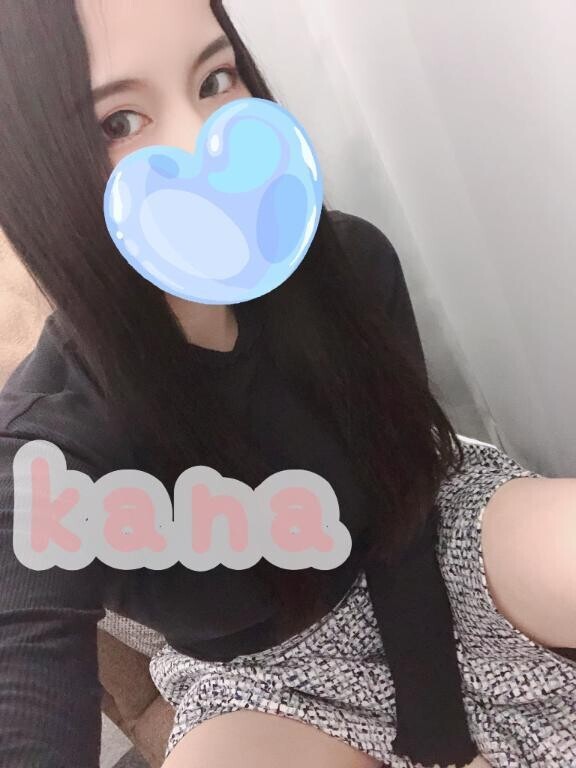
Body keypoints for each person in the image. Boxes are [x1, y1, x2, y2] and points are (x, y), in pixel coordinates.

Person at [0, 1, 574, 767]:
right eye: (119, 122)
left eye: (215, 79)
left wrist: (438, 734)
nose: (205, 143)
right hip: (262, 676)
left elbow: (403, 506)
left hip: (438, 536)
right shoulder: (47, 447)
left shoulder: (352, 264)